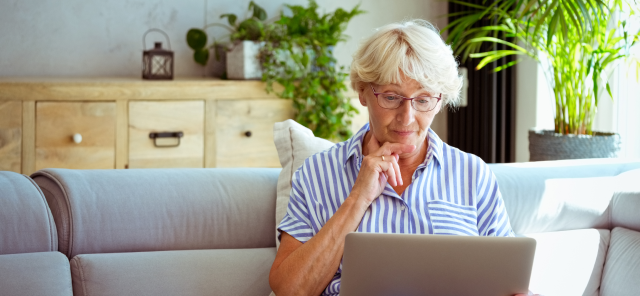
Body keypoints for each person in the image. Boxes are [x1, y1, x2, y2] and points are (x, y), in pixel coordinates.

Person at [269, 19, 528, 296]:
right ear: (363, 93)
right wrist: (358, 199)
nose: (407, 118)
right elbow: (289, 290)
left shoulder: (471, 173)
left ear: (440, 100)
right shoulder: (317, 173)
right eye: (391, 97)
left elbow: (507, 280)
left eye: (423, 99)